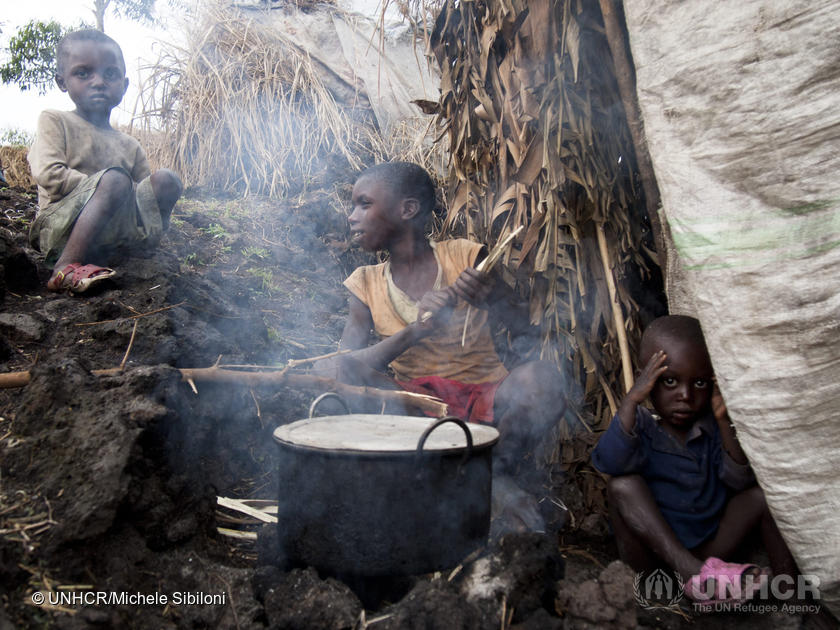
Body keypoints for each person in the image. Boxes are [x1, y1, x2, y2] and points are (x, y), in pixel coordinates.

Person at [326, 161, 567, 533]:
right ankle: (462, 476)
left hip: (486, 398)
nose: (352, 216)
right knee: (354, 381)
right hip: (416, 408)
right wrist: (415, 332)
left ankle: (492, 471)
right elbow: (343, 366)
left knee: (543, 381)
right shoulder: (365, 283)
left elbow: (525, 329)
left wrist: (494, 296)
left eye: (363, 204)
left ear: (407, 210)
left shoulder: (465, 256)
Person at [591, 315, 797, 604]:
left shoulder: (710, 428)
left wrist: (724, 421)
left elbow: (739, 481)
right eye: (670, 381)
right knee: (622, 486)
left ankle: (792, 595)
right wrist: (630, 401)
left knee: (759, 497)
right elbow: (608, 463)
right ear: (646, 381)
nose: (685, 396)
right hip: (658, 561)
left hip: (712, 555)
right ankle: (691, 575)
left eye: (699, 383)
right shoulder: (639, 426)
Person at [27, 29, 182, 294]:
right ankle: (66, 267)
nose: (98, 81)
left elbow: (143, 196)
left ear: (124, 84)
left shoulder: (129, 144)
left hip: (113, 231)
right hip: (60, 229)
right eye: (84, 73)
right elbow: (50, 175)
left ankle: (142, 250)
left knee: (167, 180)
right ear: (62, 82)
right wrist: (106, 188)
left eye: (110, 74)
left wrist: (122, 195)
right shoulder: (55, 120)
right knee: (116, 180)